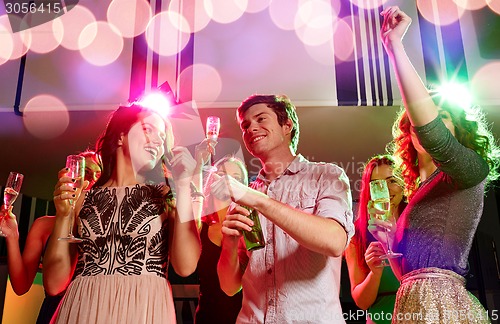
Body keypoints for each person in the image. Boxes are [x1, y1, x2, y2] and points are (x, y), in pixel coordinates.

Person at [369, 6, 500, 323]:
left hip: (442, 305)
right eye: (421, 117)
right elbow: (407, 274)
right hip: (410, 304)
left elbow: (433, 136)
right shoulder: (418, 195)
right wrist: (386, 253)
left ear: (457, 131)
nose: (426, 122)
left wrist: (394, 46)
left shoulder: (469, 170)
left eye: (442, 117)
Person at [43, 104, 201, 323]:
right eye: (148, 129)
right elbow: (53, 284)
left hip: (143, 310)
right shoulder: (83, 198)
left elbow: (185, 266)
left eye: (162, 136)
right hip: (84, 310)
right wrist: (63, 215)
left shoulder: (166, 197)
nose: (157, 140)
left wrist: (183, 187)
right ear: (120, 136)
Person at [210, 94, 354, 323]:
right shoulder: (245, 196)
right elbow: (229, 287)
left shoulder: (326, 175)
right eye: (245, 125)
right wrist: (229, 242)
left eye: (260, 119)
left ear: (287, 125)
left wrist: (259, 200)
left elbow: (334, 242)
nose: (251, 128)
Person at [0, 150, 101, 324]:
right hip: (53, 315)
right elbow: (20, 285)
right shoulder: (43, 225)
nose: (88, 180)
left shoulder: (104, 230)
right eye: (84, 172)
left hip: (90, 313)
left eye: (97, 175)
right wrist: (12, 236)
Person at [344, 155, 405, 323]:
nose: (385, 190)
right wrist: (375, 273)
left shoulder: (421, 224)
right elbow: (361, 302)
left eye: (392, 180)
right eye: (377, 184)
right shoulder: (356, 234)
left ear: (404, 183)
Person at [192, 151, 247, 324]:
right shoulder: (200, 224)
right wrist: (198, 164)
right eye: (222, 174)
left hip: (245, 316)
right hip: (208, 316)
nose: (227, 181)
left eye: (235, 177)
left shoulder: (250, 226)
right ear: (211, 181)